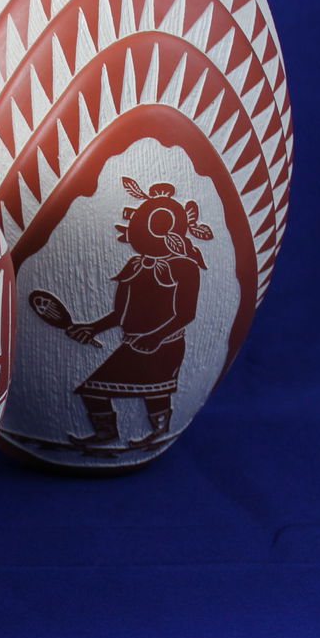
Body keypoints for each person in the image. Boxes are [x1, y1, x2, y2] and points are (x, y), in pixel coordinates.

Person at [63, 178, 211, 450]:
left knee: (156, 389)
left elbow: (186, 313)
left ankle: (157, 432)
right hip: (133, 342)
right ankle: (107, 434)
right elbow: (120, 312)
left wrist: (156, 337)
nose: (129, 232)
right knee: (94, 390)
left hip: (165, 343)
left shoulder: (184, 268)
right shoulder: (135, 264)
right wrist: (92, 328)